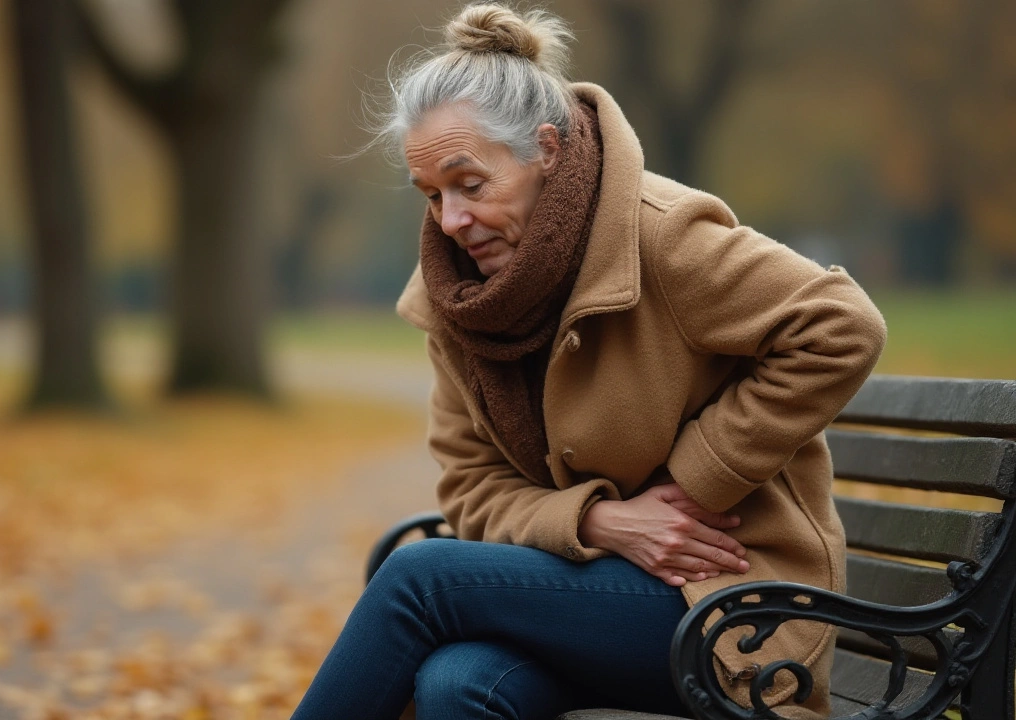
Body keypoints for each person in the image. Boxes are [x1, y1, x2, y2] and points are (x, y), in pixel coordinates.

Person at [291, 4, 886, 719]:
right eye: (433, 195)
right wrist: (597, 522)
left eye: (469, 184)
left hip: (725, 604)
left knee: (422, 577)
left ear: (545, 149)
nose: (450, 221)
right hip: (584, 594)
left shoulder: (660, 236)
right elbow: (472, 486)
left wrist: (693, 481)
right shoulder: (455, 297)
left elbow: (842, 326)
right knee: (458, 682)